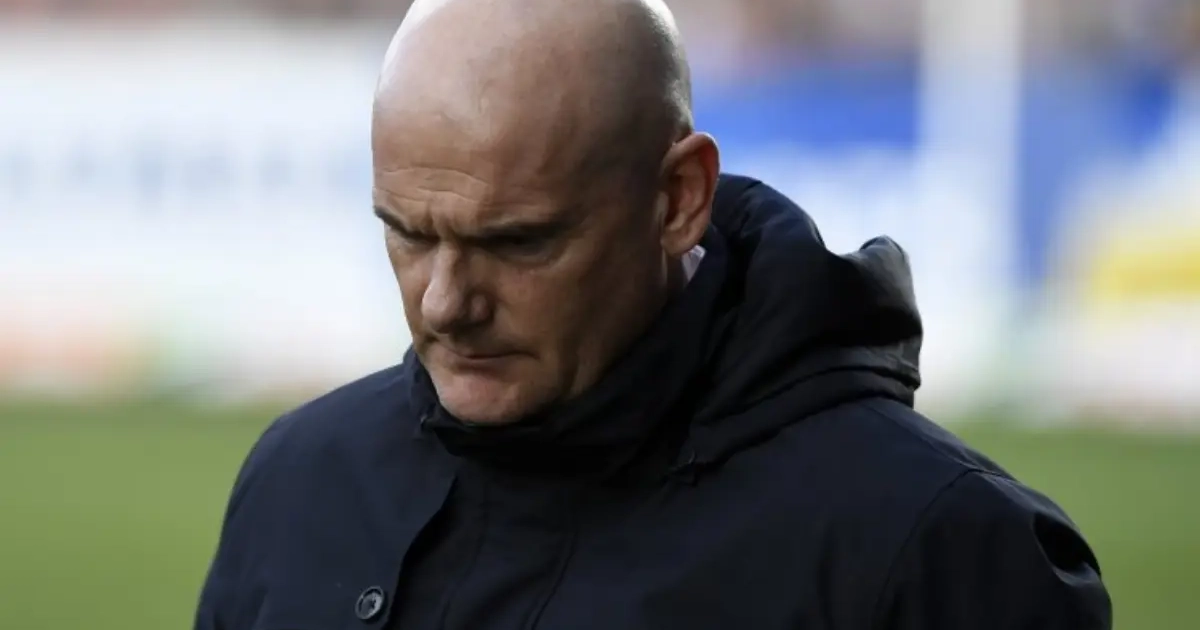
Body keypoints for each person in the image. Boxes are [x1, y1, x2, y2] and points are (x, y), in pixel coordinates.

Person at [194, 0, 1113, 628]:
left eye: (517, 242)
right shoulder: (299, 482)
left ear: (678, 200)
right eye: (407, 233)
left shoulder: (939, 549)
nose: (444, 303)